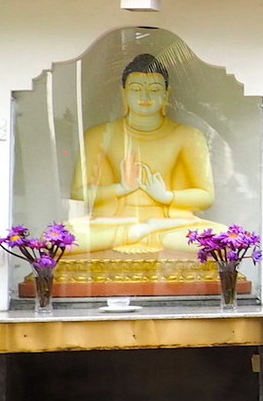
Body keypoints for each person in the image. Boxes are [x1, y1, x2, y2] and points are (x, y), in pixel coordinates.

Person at [67, 54, 224, 254]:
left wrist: (166, 196)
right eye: (136, 89)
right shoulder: (99, 135)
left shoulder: (188, 136)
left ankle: (146, 232)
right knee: (54, 238)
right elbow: (79, 193)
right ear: (123, 93)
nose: (145, 97)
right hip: (112, 222)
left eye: (155, 90)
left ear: (167, 94)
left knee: (222, 238)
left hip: (170, 224)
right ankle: (136, 233)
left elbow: (206, 196)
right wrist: (121, 188)